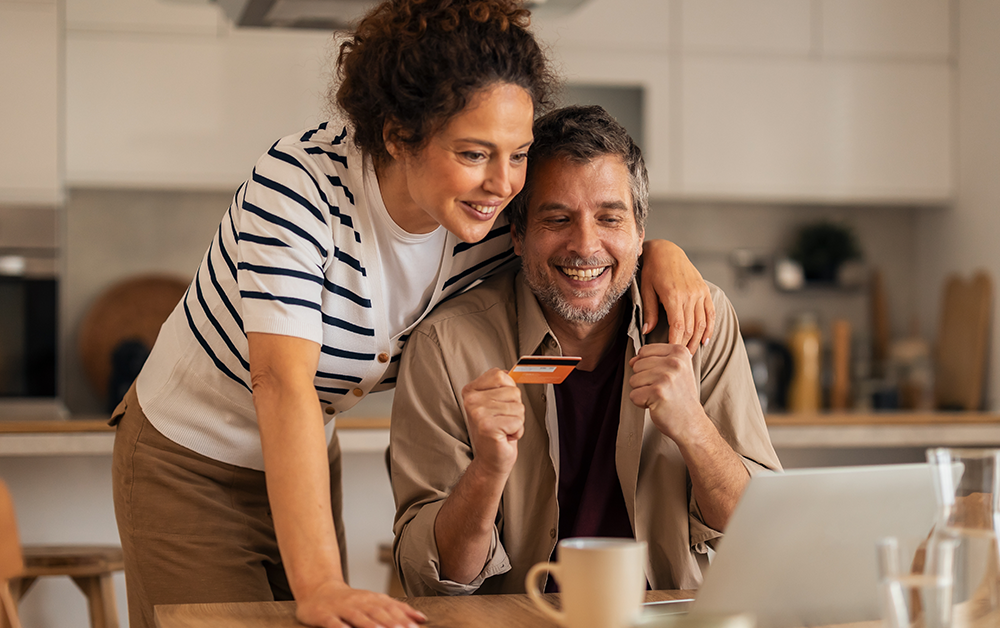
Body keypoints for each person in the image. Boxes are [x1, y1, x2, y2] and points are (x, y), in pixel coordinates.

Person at [109, 2, 715, 628]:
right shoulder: (298, 188)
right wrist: (321, 584)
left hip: (304, 456)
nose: (504, 183)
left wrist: (663, 255)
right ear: (400, 135)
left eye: (519, 153)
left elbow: (585, 246)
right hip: (188, 458)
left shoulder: (484, 216)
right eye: (475, 153)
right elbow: (282, 382)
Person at [390, 105, 782, 597]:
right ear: (517, 233)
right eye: (557, 218)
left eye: (610, 218)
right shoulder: (446, 346)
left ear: (640, 232)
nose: (585, 245)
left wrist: (694, 429)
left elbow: (764, 534)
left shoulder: (700, 319)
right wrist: (486, 473)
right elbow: (435, 581)